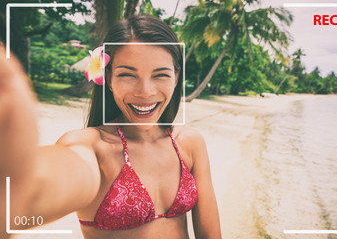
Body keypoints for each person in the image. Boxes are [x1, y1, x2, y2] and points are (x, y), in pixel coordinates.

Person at [0, 15, 221, 239]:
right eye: (127, 74)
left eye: (160, 75)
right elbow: (46, 183)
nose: (145, 91)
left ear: (176, 77)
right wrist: (16, 186)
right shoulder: (92, 148)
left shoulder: (190, 143)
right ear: (108, 78)